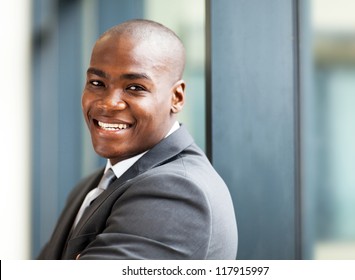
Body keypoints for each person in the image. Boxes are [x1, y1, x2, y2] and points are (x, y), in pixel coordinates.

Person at [37, 19, 237, 260]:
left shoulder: (176, 192)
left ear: (177, 97)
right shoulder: (92, 187)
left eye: (135, 87)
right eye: (97, 83)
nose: (109, 103)